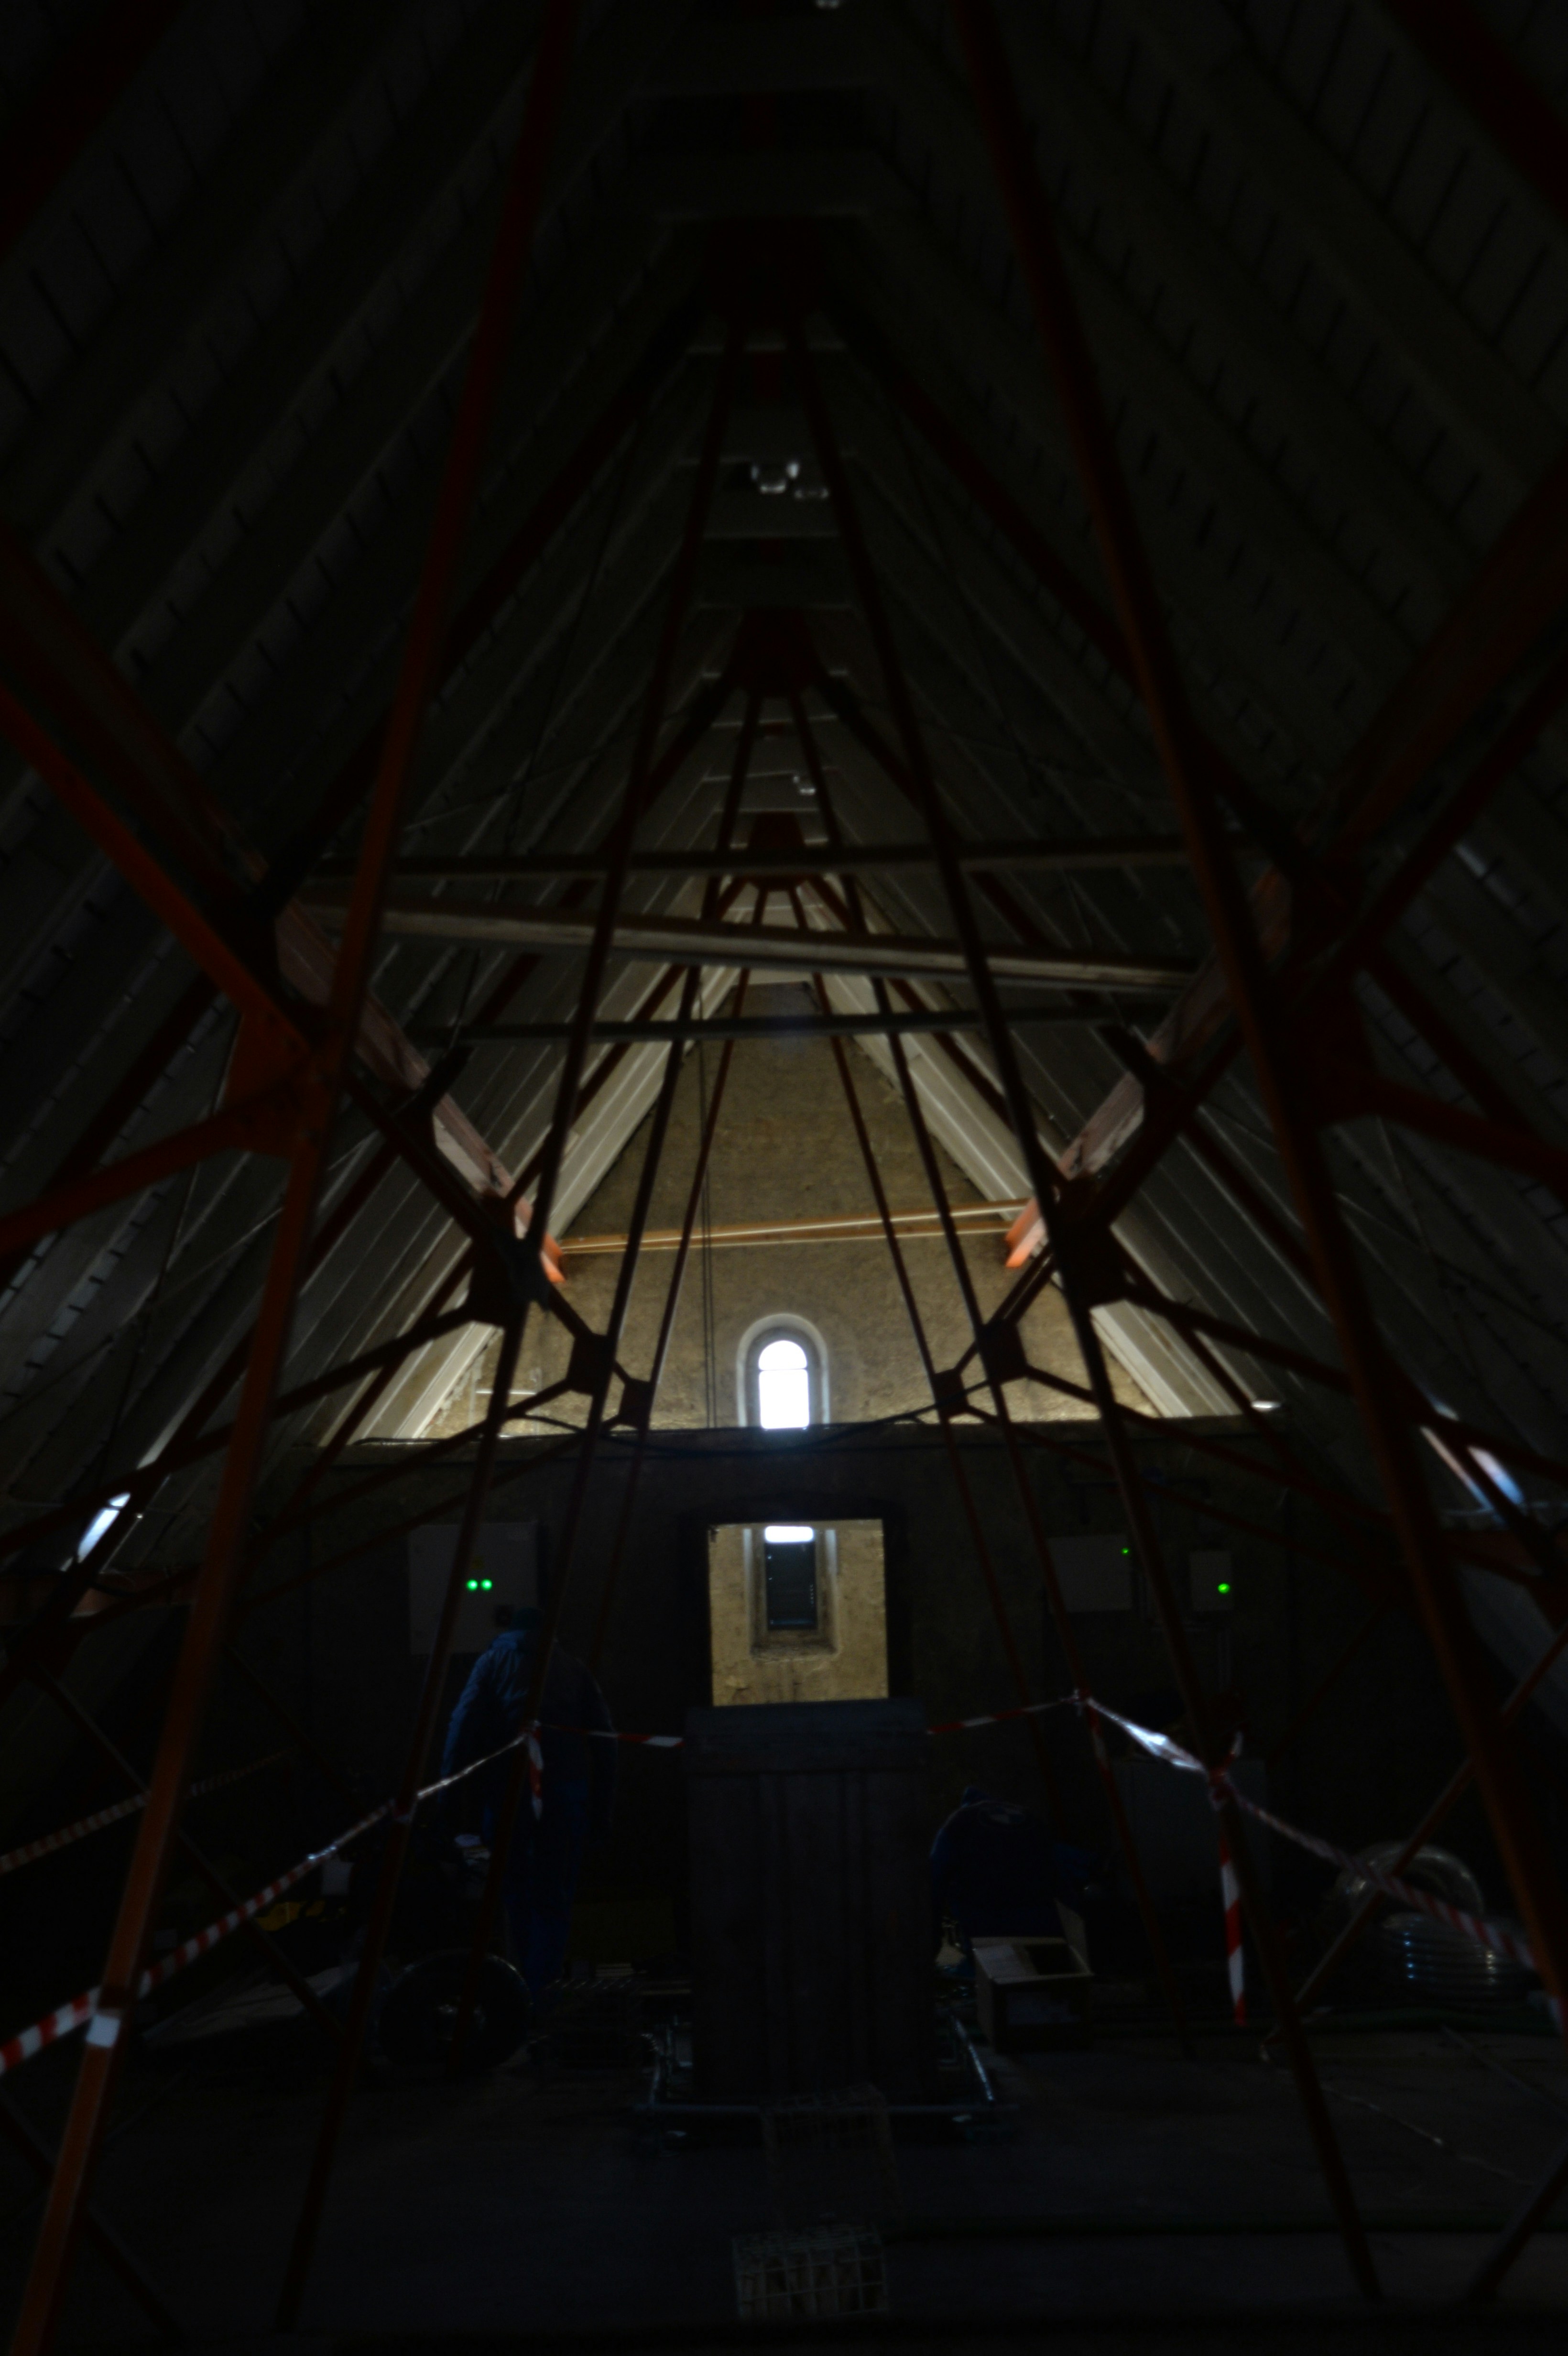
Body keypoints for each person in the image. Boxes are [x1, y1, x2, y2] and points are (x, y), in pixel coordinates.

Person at [441, 1605, 616, 1993]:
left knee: (515, 1890)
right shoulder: (573, 1669)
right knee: (554, 1895)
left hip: (507, 1795)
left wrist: (447, 1806)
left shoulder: (491, 1664)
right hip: (565, 1795)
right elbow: (606, 1744)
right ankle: (542, 1992)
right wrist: (602, 1813)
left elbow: (460, 1728)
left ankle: (518, 1990)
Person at [930, 1786, 1103, 1966]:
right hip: (1043, 1930)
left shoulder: (959, 1822)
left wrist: (930, 1945)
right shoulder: (1030, 1819)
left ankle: (974, 1966)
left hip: (986, 1931)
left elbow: (934, 1881)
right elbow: (1059, 1878)